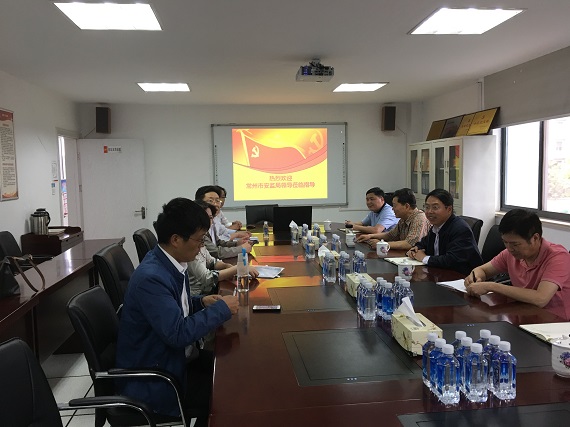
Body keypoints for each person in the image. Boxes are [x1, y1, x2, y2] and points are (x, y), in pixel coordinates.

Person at [115, 198, 239, 426]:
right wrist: (222, 309)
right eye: (199, 240)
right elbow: (177, 333)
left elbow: (173, 306)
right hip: (159, 378)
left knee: (233, 367)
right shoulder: (152, 277)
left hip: (175, 360)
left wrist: (200, 302)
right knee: (228, 393)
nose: (201, 246)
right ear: (175, 240)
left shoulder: (169, 262)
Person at [465, 209, 570, 320]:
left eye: (515, 244)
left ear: (535, 238)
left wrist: (491, 286)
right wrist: (475, 278)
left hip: (554, 322)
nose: (509, 248)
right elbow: (483, 270)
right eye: (505, 242)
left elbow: (541, 298)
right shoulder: (510, 254)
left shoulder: (558, 257)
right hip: (523, 314)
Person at [188, 200, 258, 296]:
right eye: (204, 218)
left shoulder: (202, 237)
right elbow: (207, 278)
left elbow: (212, 262)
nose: (209, 221)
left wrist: (227, 266)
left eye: (210, 218)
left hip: (209, 291)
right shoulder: (189, 243)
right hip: (198, 296)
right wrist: (238, 268)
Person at [406, 188, 482, 275]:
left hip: (462, 277)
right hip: (439, 274)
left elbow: (452, 260)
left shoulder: (460, 229)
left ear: (449, 209)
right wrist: (415, 249)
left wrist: (424, 258)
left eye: (435, 207)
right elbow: (424, 243)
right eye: (427, 207)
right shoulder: (436, 227)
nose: (429, 211)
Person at [356, 187, 430, 250]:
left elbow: (409, 244)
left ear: (407, 206)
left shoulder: (419, 218)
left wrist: (382, 244)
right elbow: (390, 235)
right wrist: (370, 236)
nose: (392, 209)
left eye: (394, 205)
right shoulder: (403, 219)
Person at [195, 186, 252, 259]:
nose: (215, 204)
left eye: (217, 200)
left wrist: (237, 243)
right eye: (210, 201)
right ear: (200, 203)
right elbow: (215, 253)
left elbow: (218, 243)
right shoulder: (199, 227)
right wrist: (241, 248)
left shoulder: (213, 221)